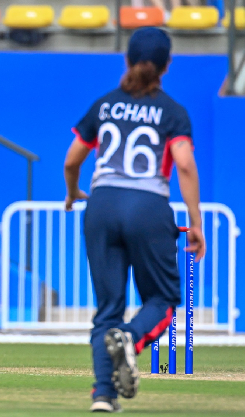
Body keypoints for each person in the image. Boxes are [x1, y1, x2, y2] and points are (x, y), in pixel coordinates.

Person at [63, 27, 205, 412]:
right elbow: (185, 164)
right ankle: (131, 337)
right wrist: (195, 222)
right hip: (148, 206)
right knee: (163, 299)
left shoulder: (104, 105)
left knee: (107, 309)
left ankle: (103, 395)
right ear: (166, 65)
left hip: (102, 205)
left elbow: (72, 160)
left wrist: (73, 192)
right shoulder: (172, 111)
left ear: (126, 60)